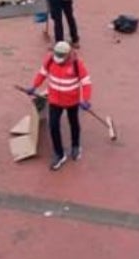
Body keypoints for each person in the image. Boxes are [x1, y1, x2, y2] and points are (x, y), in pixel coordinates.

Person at [22, 41, 92, 171]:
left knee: (74, 123)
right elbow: (42, 74)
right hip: (54, 100)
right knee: (53, 126)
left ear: (68, 54)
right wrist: (34, 86)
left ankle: (75, 146)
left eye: (61, 57)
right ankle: (59, 154)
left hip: (72, 101)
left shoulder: (77, 64)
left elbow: (86, 83)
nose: (58, 59)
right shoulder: (50, 60)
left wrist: (85, 100)